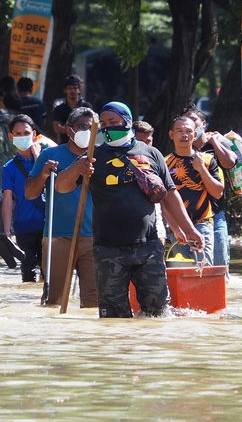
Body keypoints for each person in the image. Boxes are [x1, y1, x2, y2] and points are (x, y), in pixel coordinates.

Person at [73, 102, 203, 318]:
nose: (107, 127)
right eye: (103, 123)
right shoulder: (92, 156)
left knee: (157, 314)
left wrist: (189, 229)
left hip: (148, 247)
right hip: (108, 249)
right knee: (113, 317)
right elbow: (62, 186)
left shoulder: (151, 153)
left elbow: (170, 195)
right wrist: (78, 167)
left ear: (127, 121)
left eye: (113, 122)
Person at [25, 107, 100, 309]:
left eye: (91, 128)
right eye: (81, 127)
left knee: (93, 303)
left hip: (93, 237)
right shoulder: (50, 155)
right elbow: (29, 193)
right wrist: (42, 175)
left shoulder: (101, 156)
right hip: (58, 236)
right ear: (69, 130)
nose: (86, 132)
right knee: (53, 301)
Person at [164, 115, 224, 265]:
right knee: (182, 269)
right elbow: (162, 201)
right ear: (172, 134)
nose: (184, 135)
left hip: (202, 222)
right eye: (179, 131)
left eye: (188, 131)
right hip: (176, 226)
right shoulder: (164, 163)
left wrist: (202, 170)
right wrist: (175, 227)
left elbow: (218, 192)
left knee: (204, 268)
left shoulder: (207, 160)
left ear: (195, 134)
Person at [183, 107, 238, 268]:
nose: (190, 124)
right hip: (191, 215)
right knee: (196, 266)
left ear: (203, 124)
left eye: (193, 120)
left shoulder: (214, 146)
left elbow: (229, 163)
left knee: (220, 264)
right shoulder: (184, 149)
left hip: (215, 213)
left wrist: (213, 141)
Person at [0, 114, 45, 281]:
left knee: (48, 273)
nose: (22, 137)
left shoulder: (45, 158)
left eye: (25, 133)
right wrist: (6, 231)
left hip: (47, 224)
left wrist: (37, 154)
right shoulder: (8, 168)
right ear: (11, 137)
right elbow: (7, 200)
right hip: (23, 226)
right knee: (28, 275)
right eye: (17, 134)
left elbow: (50, 181)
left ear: (33, 134)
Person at [51, 75, 92, 144]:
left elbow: (92, 126)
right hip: (65, 145)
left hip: (84, 145)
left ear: (79, 89)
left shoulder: (86, 107)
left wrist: (66, 127)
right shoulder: (59, 109)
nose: (72, 91)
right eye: (69, 88)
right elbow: (57, 129)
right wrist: (80, 128)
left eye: (75, 88)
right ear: (65, 90)